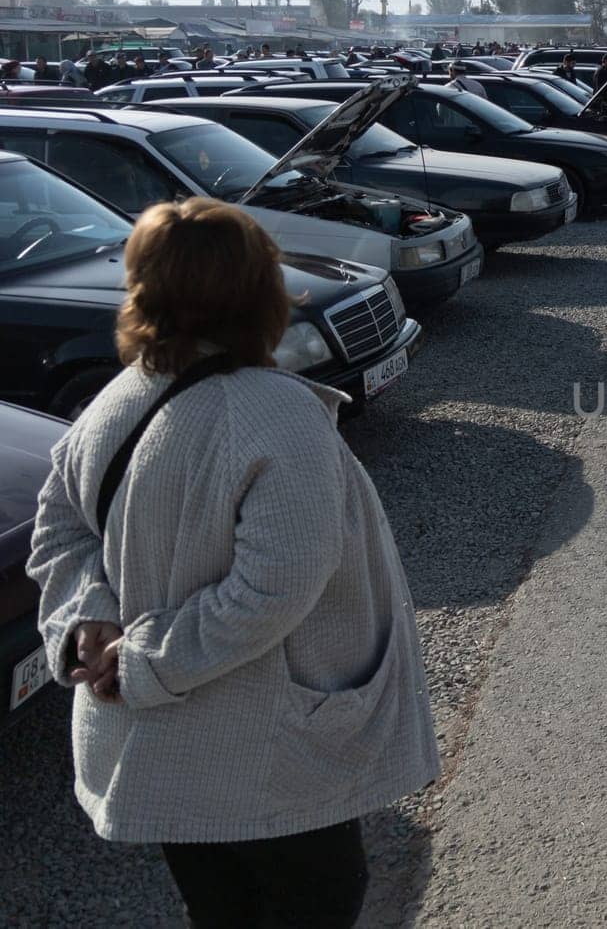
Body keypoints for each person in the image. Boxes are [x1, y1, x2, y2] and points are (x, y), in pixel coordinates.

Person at [26, 198, 439, 929]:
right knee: (314, 902)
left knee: (220, 907)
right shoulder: (276, 414)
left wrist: (88, 614)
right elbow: (272, 588)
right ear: (260, 290)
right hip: (265, 764)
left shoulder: (115, 399)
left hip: (166, 761)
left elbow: (57, 528)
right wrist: (144, 659)